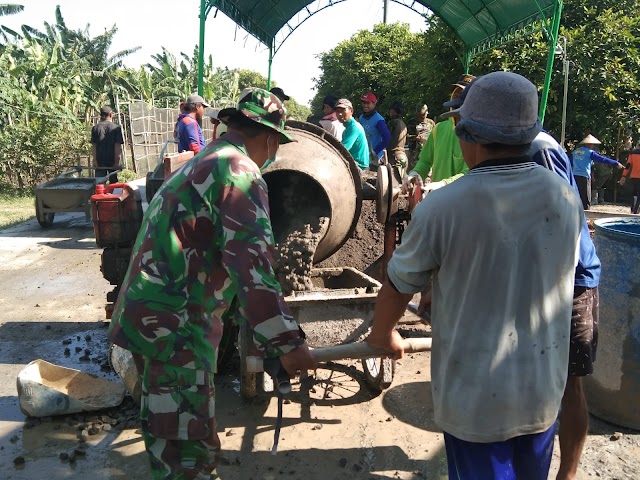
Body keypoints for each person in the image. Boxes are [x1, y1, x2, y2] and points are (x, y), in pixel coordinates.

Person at [367, 71, 584, 480]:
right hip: (541, 393)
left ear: (468, 135)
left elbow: (398, 283)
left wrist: (382, 334)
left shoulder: (444, 206)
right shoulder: (565, 196)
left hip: (476, 401)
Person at [108, 87, 317, 479]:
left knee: (181, 440)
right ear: (271, 137)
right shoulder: (239, 172)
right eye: (276, 145)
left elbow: (222, 258)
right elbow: (254, 272)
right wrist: (288, 342)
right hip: (175, 331)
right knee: (186, 455)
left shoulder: (204, 160)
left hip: (158, 321)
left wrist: (263, 334)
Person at [528, 131, 602, 480]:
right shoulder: (507, 150)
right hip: (540, 279)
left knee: (569, 383)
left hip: (569, 283)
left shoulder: (539, 149)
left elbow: (564, 221)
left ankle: (567, 474)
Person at [402, 74, 474, 194]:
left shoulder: (476, 136)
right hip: (438, 202)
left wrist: (443, 184)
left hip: (463, 204)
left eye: (463, 93)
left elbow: (471, 173)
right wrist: (415, 173)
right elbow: (425, 161)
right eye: (455, 92)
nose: (457, 96)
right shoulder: (439, 129)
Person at [571, 134, 624, 210]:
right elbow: (602, 159)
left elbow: (569, 162)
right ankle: (586, 214)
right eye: (592, 144)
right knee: (586, 197)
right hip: (584, 176)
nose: (593, 146)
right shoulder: (589, 152)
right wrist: (615, 163)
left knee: (576, 195)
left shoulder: (575, 152)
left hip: (574, 176)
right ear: (589, 144)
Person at [335, 98, 369, 171]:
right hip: (353, 162)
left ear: (351, 111)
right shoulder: (348, 128)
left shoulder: (354, 127)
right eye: (337, 111)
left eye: (343, 110)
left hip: (359, 166)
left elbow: (343, 149)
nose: (340, 114)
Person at [91, 106, 124, 180]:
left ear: (101, 115)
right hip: (112, 161)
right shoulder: (116, 128)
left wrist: (95, 160)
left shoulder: (95, 128)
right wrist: (116, 161)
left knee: (99, 183)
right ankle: (111, 191)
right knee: (113, 183)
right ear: (110, 114)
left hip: (100, 161)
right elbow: (117, 145)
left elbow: (94, 146)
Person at [359, 92, 391, 166]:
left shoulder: (378, 120)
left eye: (368, 103)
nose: (365, 105)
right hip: (365, 156)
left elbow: (387, 137)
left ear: (374, 104)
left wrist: (375, 151)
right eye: (363, 103)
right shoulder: (361, 118)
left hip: (376, 158)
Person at [407, 103, 435, 169]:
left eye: (423, 115)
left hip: (428, 154)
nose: (421, 117)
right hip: (415, 156)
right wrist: (415, 138)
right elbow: (407, 136)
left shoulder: (431, 123)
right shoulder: (412, 123)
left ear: (427, 113)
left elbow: (434, 137)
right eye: (419, 115)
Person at [386, 101, 408, 179]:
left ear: (394, 111)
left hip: (394, 157)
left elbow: (385, 137)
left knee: (394, 185)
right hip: (403, 156)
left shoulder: (393, 123)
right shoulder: (403, 124)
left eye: (391, 110)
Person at [620, 142, 640, 213]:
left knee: (634, 193)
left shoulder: (632, 153)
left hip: (633, 177)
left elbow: (628, 165)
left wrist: (623, 176)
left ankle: (633, 210)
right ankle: (636, 210)